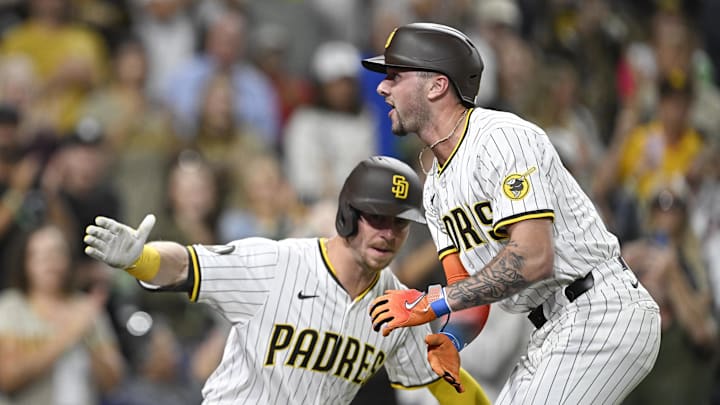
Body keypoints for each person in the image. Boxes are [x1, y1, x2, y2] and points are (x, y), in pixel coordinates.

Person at [363, 22, 661, 405]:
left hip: (598, 309)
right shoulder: (435, 188)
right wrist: (453, 338)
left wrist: (430, 302)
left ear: (437, 85)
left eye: (395, 76)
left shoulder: (500, 138)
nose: (382, 88)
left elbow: (533, 257)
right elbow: (468, 293)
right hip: (551, 327)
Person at [82, 156, 490, 405]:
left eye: (399, 223)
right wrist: (140, 259)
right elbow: (186, 266)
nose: (388, 233)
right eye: (377, 218)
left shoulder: (399, 306)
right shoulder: (275, 262)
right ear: (347, 215)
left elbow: (445, 381)